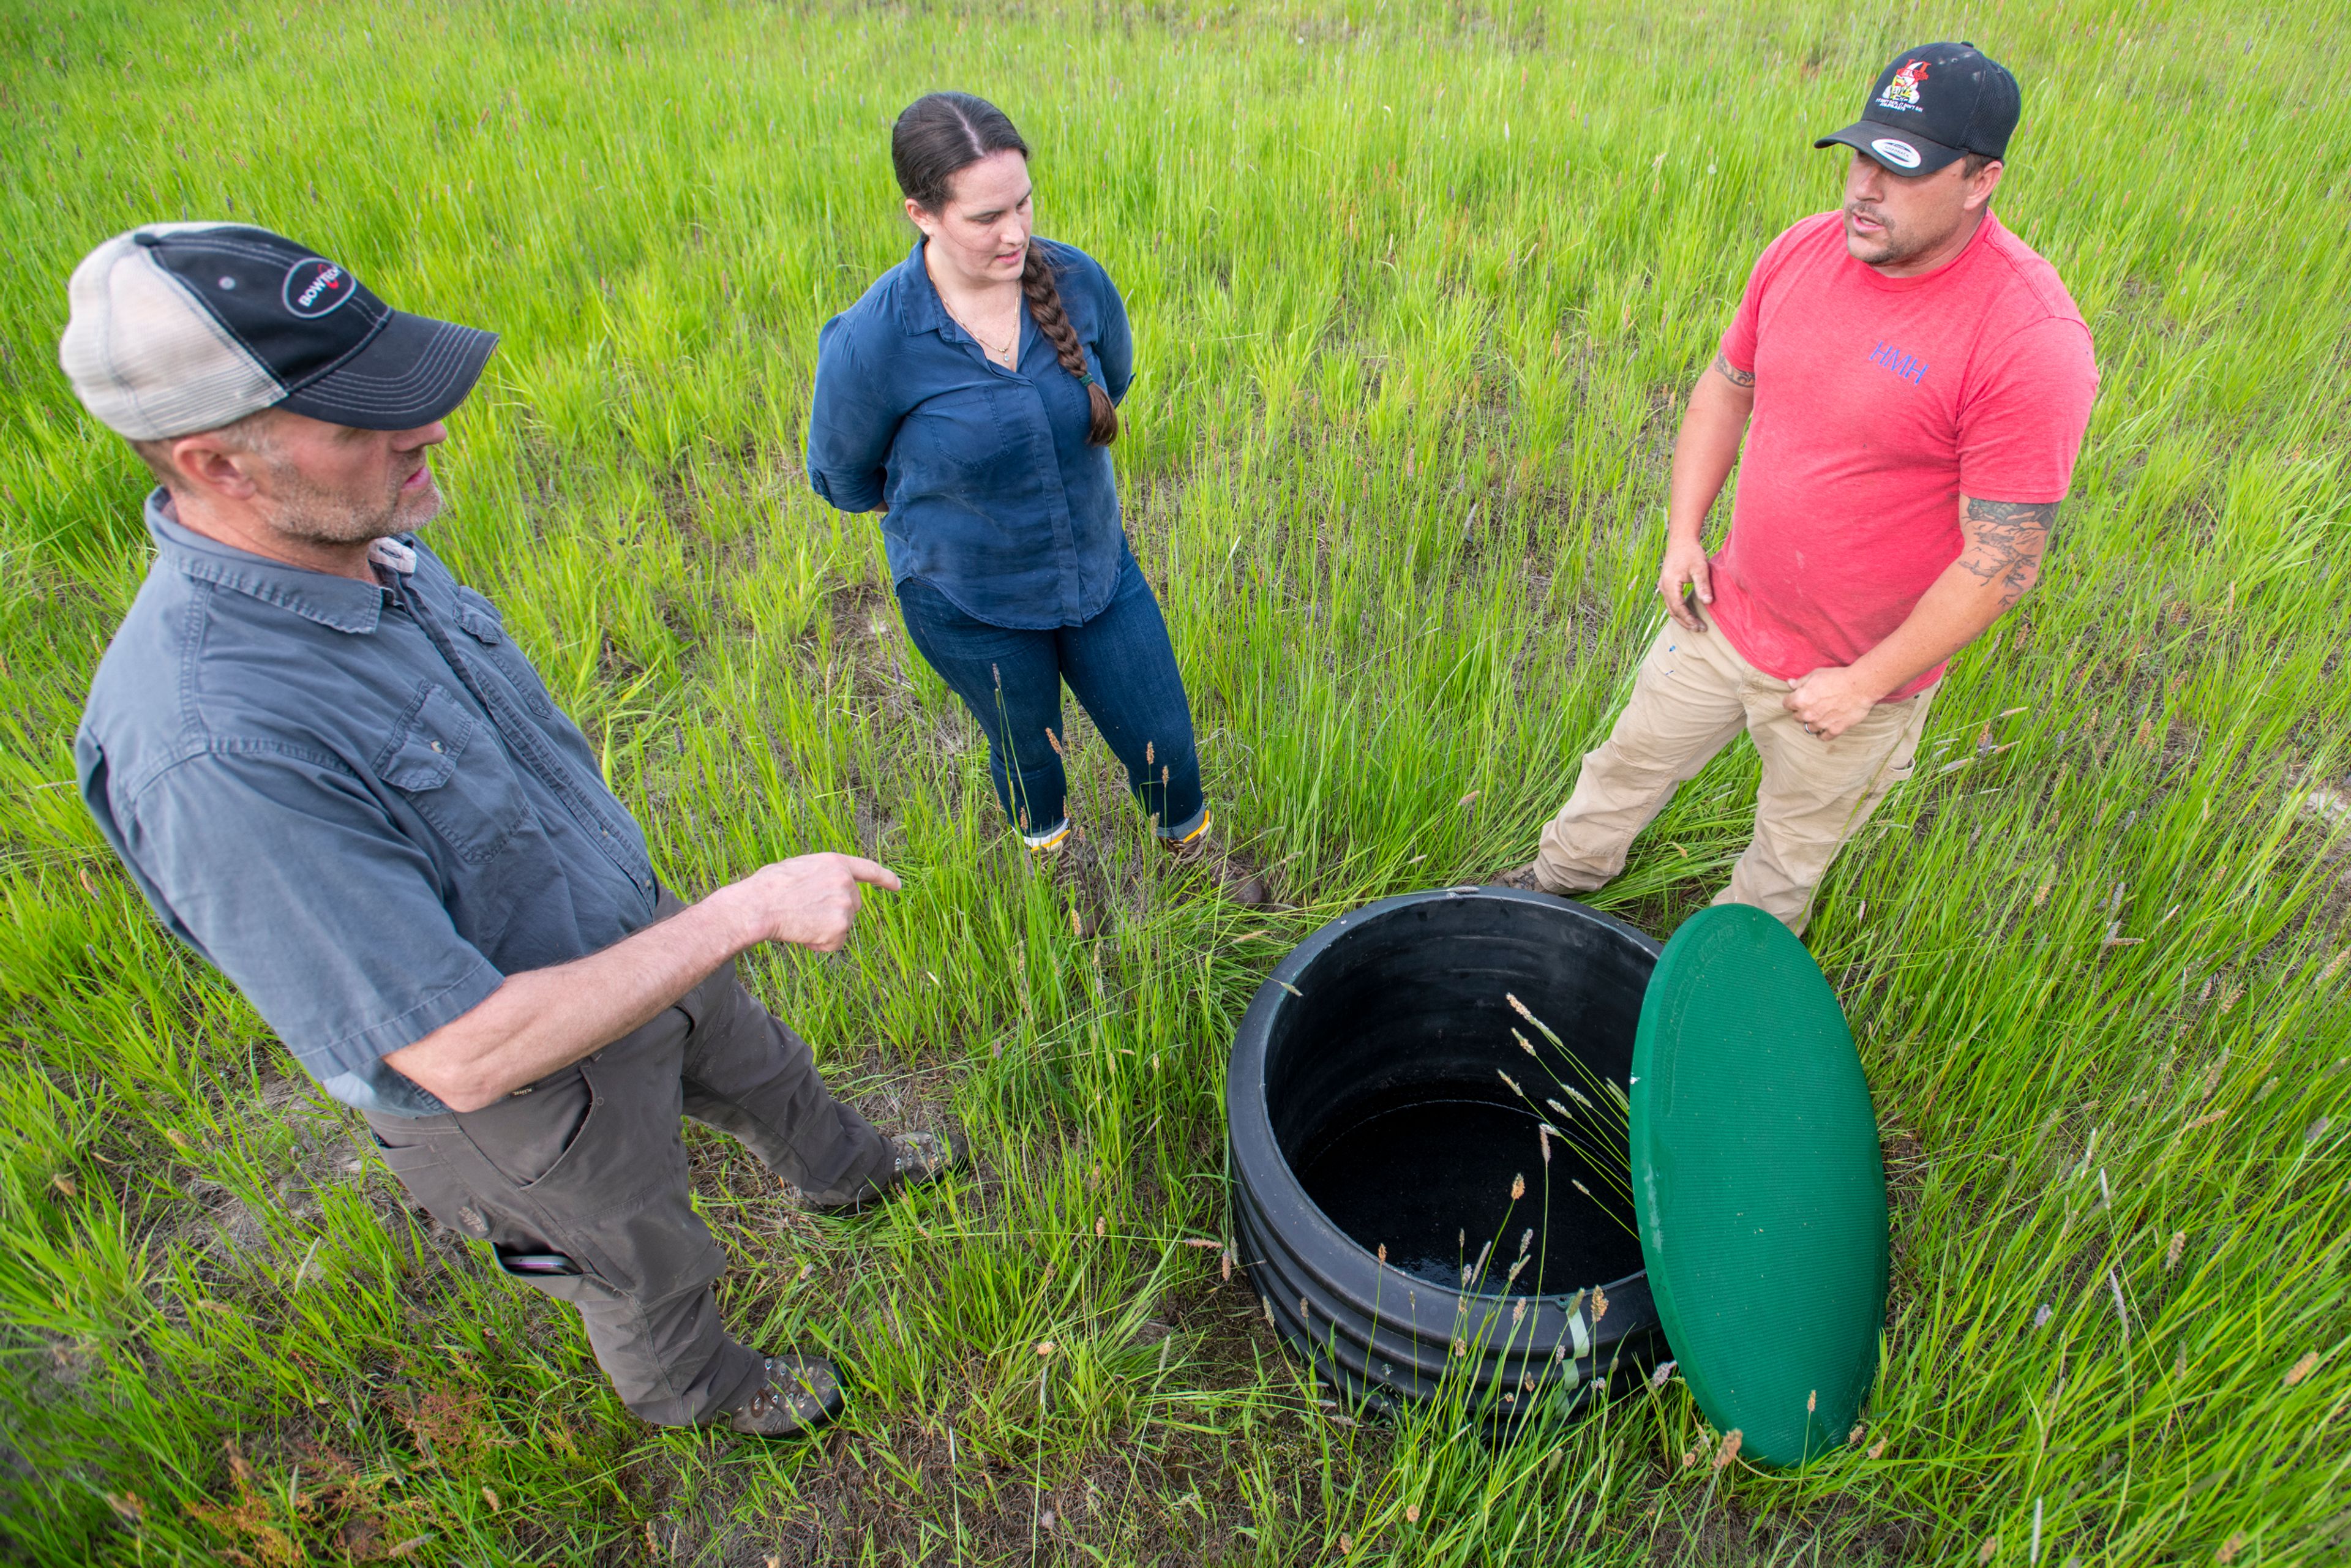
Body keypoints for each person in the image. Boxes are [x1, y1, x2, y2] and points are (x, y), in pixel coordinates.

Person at [64, 222, 962, 1439]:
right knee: (642, 1251)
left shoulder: (364, 543)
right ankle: (696, 1387)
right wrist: (747, 909)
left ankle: (849, 1171)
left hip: (641, 940)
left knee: (766, 1069)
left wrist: (692, 936)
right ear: (215, 463)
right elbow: (463, 1052)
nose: (424, 428)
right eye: (360, 420)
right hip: (532, 1095)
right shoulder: (213, 744)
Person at [1503, 42, 2098, 934]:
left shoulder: (2027, 337)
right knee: (1624, 766)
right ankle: (1552, 884)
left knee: (1787, 856)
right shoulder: (1803, 251)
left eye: (1902, 171)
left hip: (1854, 679)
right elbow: (1726, 386)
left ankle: (1730, 988)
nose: (1865, 188)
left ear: (1981, 180)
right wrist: (1682, 535)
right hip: (1721, 613)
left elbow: (2005, 559)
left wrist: (1864, 683)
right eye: (1863, 156)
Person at [808, 91, 1220, 867]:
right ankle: (1057, 873)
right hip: (972, 601)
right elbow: (841, 475)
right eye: (986, 217)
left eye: (1024, 203)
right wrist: (952, 504)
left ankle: (1192, 857)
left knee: (1164, 737)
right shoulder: (873, 342)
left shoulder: (1077, 281)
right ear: (922, 214)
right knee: (1029, 752)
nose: (1016, 232)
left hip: (1097, 568)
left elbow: (1113, 379)